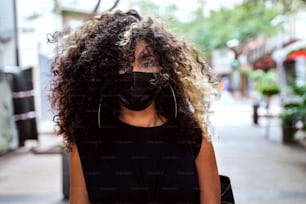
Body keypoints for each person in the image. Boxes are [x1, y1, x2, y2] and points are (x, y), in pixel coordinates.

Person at [49, 9, 221, 204]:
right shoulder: (87, 145)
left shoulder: (195, 141)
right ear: (103, 71)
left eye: (147, 63)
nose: (135, 72)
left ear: (164, 71)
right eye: (123, 64)